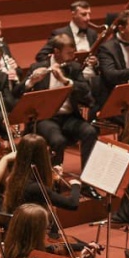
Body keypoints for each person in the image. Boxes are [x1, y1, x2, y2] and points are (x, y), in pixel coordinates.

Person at [19, 33, 98, 171]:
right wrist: (31, 81)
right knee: (58, 140)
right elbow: (17, 93)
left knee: (90, 132)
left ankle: (87, 179)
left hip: (69, 117)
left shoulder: (73, 68)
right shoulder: (37, 67)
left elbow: (86, 93)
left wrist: (65, 81)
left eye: (74, 53)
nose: (73, 56)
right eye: (69, 53)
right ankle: (54, 181)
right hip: (45, 118)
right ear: (56, 52)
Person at [2, 133, 82, 214]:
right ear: (41, 157)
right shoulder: (35, 188)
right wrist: (76, 185)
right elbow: (72, 204)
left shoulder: (14, 177)